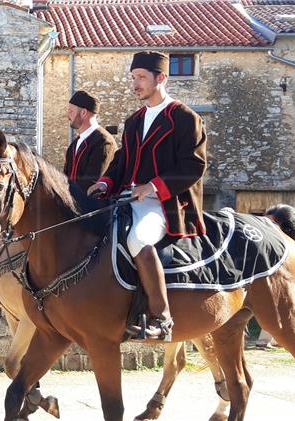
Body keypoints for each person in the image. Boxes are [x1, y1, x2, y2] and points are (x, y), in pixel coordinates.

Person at [88, 51, 207, 342]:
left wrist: (151, 187)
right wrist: (104, 183)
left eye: (141, 77)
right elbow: (120, 162)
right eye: (133, 77)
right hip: (126, 199)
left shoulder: (185, 118)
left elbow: (194, 165)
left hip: (165, 204)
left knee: (137, 237)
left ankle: (162, 318)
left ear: (161, 78)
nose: (135, 84)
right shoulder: (134, 120)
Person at [62, 90, 117, 192]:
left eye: (71, 111)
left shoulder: (104, 142)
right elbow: (65, 178)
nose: (67, 115)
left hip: (93, 206)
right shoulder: (74, 144)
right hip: (70, 204)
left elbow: (92, 183)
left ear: (83, 112)